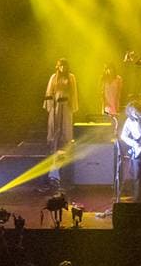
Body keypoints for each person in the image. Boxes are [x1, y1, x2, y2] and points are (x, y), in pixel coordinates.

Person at [43, 58, 79, 188]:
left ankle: (66, 144)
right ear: (58, 67)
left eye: (65, 66)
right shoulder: (54, 77)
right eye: (61, 66)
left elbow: (74, 92)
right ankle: (54, 144)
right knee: (55, 127)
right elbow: (49, 91)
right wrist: (50, 105)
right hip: (56, 105)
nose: (63, 68)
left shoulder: (71, 77)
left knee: (65, 127)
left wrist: (73, 106)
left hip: (66, 105)